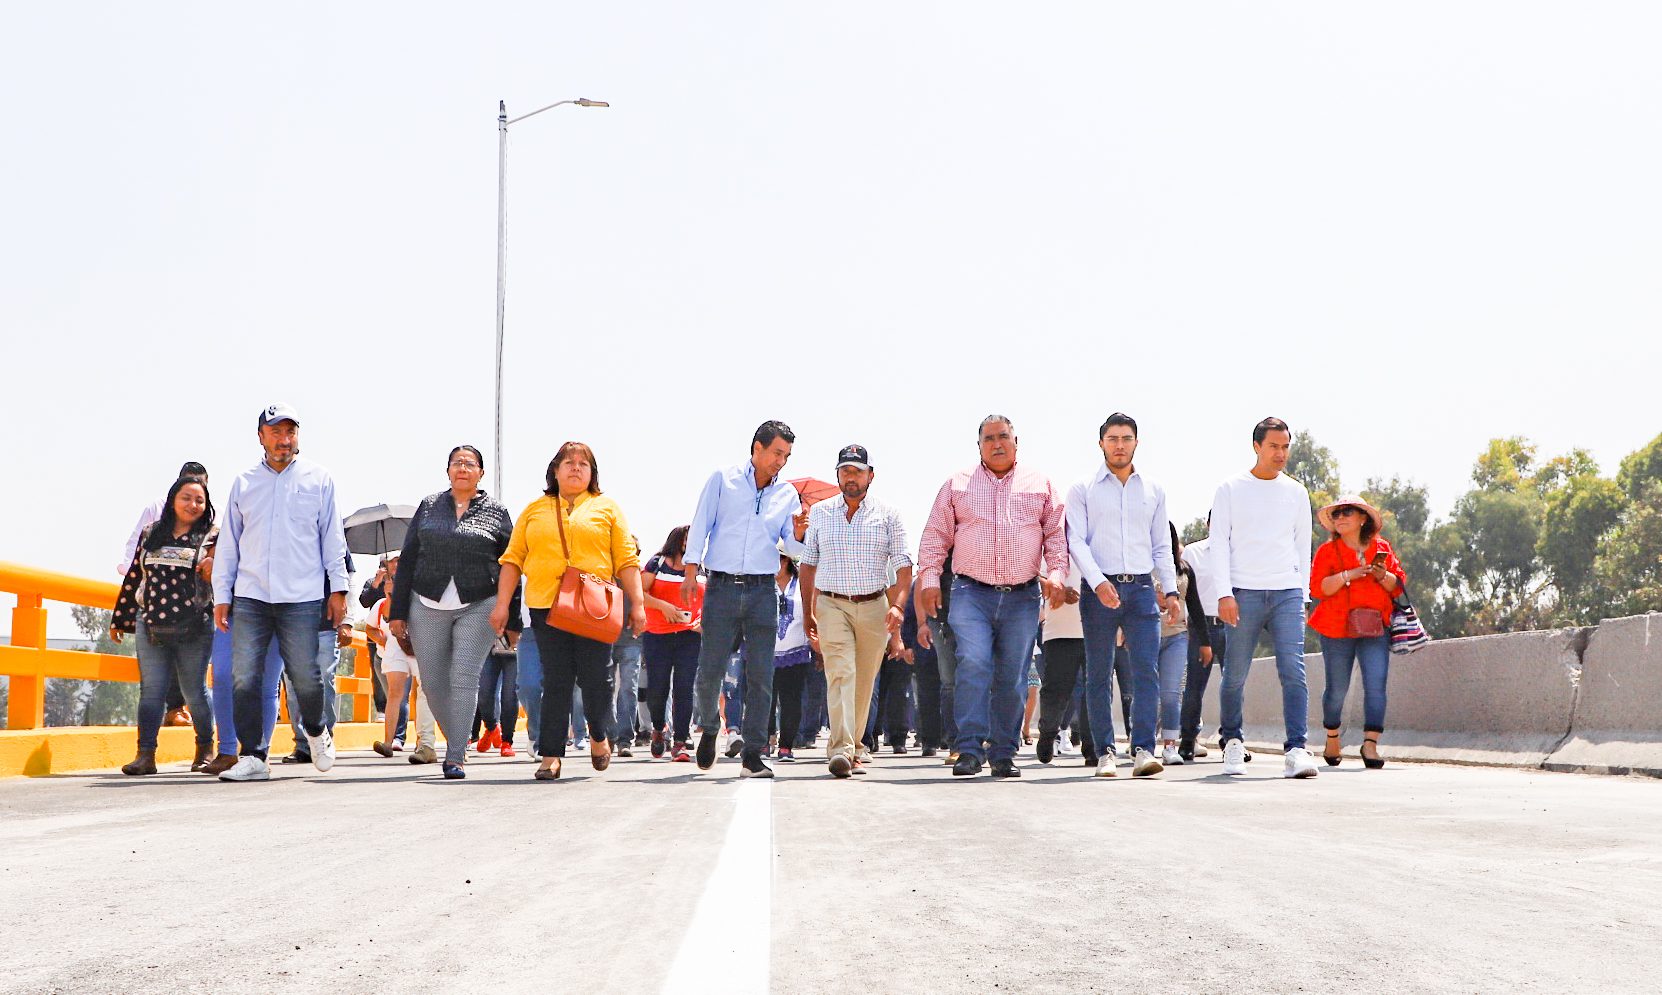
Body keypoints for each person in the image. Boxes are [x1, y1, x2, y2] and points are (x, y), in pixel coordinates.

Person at [918, 415, 1068, 779]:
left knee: (1013, 675)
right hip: (971, 593)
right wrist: (930, 580)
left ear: (1017, 441)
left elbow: (1056, 536)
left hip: (1022, 597)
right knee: (973, 663)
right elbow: (935, 536)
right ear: (979, 445)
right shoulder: (956, 484)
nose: (997, 443)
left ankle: (1003, 752)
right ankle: (969, 749)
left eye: (1003, 437)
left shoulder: (1041, 484)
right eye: (989, 438)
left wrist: (1057, 574)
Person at [211, 403, 348, 782]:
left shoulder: (319, 480)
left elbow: (332, 539)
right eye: (275, 432)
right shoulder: (244, 483)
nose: (283, 440)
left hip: (302, 596)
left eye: (290, 432)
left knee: (306, 675)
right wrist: (222, 594)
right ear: (261, 437)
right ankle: (254, 755)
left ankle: (317, 730)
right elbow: (229, 546)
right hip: (251, 595)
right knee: (245, 678)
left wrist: (339, 590)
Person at [494, 441, 647, 781]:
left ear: (592, 473)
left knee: (598, 679)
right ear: (555, 470)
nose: (576, 468)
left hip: (594, 607)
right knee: (556, 679)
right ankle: (550, 754)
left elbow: (626, 560)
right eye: (568, 462)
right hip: (547, 605)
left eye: (584, 464)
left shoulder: (606, 508)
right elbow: (512, 559)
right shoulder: (535, 509)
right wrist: (502, 604)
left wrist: (637, 604)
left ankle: (598, 734)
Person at [681, 420, 809, 777]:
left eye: (786, 456)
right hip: (721, 587)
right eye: (776, 453)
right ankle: (708, 727)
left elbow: (791, 546)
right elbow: (701, 522)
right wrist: (691, 571)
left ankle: (753, 753)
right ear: (757, 448)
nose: (781, 462)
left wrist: (798, 533)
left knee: (761, 675)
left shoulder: (787, 495)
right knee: (710, 670)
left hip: (762, 591)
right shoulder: (723, 479)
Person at [1064, 412, 1182, 778]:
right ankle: (1104, 753)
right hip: (1099, 590)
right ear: (1101, 443)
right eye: (1112, 438)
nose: (1119, 445)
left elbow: (1162, 545)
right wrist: (1098, 582)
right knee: (1098, 674)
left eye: (1126, 438)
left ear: (1136, 442)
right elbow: (1076, 542)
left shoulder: (1153, 489)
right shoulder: (1082, 489)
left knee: (1147, 670)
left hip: (1143, 590)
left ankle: (1144, 749)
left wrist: (1172, 590)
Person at [389, 445, 516, 781]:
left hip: (479, 602)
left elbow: (512, 566)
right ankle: (457, 736)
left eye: (470, 463)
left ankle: (456, 755)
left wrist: (512, 617)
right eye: (457, 463)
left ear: (481, 473)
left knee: (463, 677)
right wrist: (397, 612)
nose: (463, 468)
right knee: (431, 683)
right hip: (425, 601)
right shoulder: (430, 506)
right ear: (448, 471)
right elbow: (408, 559)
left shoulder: (497, 512)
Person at [1211, 416, 1320, 779]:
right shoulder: (1230, 489)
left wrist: (1302, 596)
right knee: (1235, 674)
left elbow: (1302, 546)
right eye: (1274, 446)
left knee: (1293, 670)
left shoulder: (1296, 492)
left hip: (1287, 593)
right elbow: (1218, 546)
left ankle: (1297, 749)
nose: (1281, 453)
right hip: (1243, 593)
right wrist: (1224, 593)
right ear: (1256, 446)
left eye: (1286, 446)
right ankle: (1232, 742)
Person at [799, 444, 913, 778]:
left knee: (863, 682)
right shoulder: (820, 513)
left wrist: (898, 606)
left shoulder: (889, 514)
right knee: (841, 674)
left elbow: (903, 565)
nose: (851, 477)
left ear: (871, 476)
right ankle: (841, 751)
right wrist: (809, 611)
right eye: (845, 470)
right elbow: (807, 566)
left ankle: (856, 747)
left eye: (857, 471)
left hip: (875, 605)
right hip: (832, 603)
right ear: (837, 474)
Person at [110, 475, 218, 774]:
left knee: (194, 690)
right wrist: (121, 618)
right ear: (172, 500)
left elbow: (225, 578)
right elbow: (135, 576)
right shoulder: (150, 533)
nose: (193, 504)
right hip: (151, 623)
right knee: (152, 691)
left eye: (200, 500)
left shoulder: (213, 537)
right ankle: (145, 755)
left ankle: (205, 750)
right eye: (186, 497)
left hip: (195, 626)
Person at [1309, 495, 1405, 769]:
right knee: (1337, 688)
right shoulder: (1328, 552)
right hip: (1335, 628)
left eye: (1346, 512)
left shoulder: (1381, 547)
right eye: (1336, 514)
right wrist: (1349, 574)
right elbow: (1318, 589)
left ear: (1363, 518)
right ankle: (1332, 736)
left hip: (1375, 626)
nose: (1340, 518)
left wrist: (1380, 575)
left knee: (1376, 685)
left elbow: (1397, 585)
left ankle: (1371, 744)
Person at [117, 460, 208, 727]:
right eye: (187, 492)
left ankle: (202, 742)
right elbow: (136, 548)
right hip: (155, 598)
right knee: (153, 681)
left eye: (201, 490)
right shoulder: (156, 513)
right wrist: (132, 581)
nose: (192, 501)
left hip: (193, 605)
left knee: (193, 679)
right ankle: (150, 744)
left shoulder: (209, 522)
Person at [278, 552, 354, 765]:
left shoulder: (333, 538)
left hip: (326, 624)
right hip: (291, 625)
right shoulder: (285, 535)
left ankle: (324, 737)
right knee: (293, 687)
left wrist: (347, 621)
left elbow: (349, 579)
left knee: (324, 682)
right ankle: (303, 744)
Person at [365, 553, 439, 763]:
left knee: (424, 693)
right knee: (395, 693)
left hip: (421, 644)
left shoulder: (422, 580)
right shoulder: (387, 588)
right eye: (393, 561)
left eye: (400, 559)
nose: (396, 564)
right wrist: (390, 596)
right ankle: (388, 743)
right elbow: (384, 619)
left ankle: (426, 743)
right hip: (396, 644)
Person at [640, 526, 704, 761]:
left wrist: (701, 621)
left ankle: (680, 741)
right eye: (690, 538)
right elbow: (639, 592)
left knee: (685, 688)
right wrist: (663, 606)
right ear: (678, 540)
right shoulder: (657, 563)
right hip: (657, 634)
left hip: (689, 636)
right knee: (657, 689)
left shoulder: (701, 567)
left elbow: (710, 599)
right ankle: (659, 729)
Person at [1159, 523, 1212, 766]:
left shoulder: (1183, 570)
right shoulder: (1139, 567)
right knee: (1144, 693)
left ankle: (1170, 744)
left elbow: (1196, 607)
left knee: (1172, 693)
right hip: (1145, 635)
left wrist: (1204, 642)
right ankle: (1141, 740)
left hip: (1177, 635)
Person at [1033, 564, 1097, 768]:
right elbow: (1035, 578)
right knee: (1056, 691)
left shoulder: (1098, 545)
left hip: (1096, 631)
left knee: (1094, 690)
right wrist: (1057, 590)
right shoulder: (1052, 546)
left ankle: (1092, 746)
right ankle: (1048, 734)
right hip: (1058, 631)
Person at [1177, 514, 1226, 763]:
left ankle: (1231, 739)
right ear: (1209, 524)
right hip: (1201, 625)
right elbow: (1184, 591)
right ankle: (1187, 740)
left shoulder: (1240, 554)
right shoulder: (1193, 553)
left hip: (1232, 625)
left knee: (1233, 685)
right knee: (1194, 687)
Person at [766, 553, 812, 762]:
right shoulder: (763, 583)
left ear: (785, 561)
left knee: (791, 701)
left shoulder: (803, 585)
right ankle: (765, 741)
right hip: (765, 652)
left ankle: (786, 745)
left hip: (796, 652)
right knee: (764, 699)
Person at [609, 536, 645, 757]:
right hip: (604, 637)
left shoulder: (638, 575)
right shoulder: (602, 571)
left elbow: (646, 600)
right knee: (606, 689)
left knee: (628, 688)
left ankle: (625, 739)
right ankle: (609, 736)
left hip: (631, 638)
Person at [475, 630, 521, 757]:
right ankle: (492, 727)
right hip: (490, 644)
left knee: (509, 696)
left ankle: (506, 741)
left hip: (514, 646)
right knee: (483, 692)